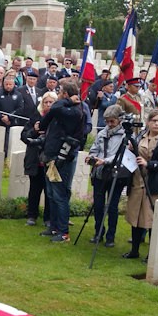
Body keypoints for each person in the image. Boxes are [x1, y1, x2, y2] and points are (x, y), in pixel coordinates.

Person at [122, 109, 158, 259]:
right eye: (153, 120)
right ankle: (134, 250)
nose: (156, 124)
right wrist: (132, 151)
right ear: (148, 122)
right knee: (136, 217)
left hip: (155, 183)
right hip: (138, 181)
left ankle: (152, 254)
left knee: (152, 218)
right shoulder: (141, 136)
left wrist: (149, 164)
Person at [38, 81, 87, 242]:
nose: (58, 95)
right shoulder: (62, 109)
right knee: (51, 193)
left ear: (66, 95)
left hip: (62, 157)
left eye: (60, 92)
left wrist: (68, 101)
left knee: (60, 194)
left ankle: (63, 232)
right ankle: (53, 227)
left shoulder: (74, 111)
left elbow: (56, 108)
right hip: (50, 154)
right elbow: (48, 118)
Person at [86, 106, 131, 246]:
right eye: (107, 121)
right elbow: (95, 148)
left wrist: (105, 161)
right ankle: (98, 233)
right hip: (99, 174)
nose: (109, 124)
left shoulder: (125, 135)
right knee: (98, 206)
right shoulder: (102, 133)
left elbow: (122, 155)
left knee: (112, 206)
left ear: (119, 120)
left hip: (116, 175)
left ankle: (111, 236)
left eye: (112, 121)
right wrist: (91, 157)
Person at [21, 91, 57, 228]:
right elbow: (24, 136)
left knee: (50, 191)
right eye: (45, 102)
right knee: (35, 189)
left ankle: (48, 218)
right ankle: (32, 215)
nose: (48, 105)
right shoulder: (35, 117)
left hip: (51, 160)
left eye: (51, 102)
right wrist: (34, 131)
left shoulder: (57, 118)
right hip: (36, 159)